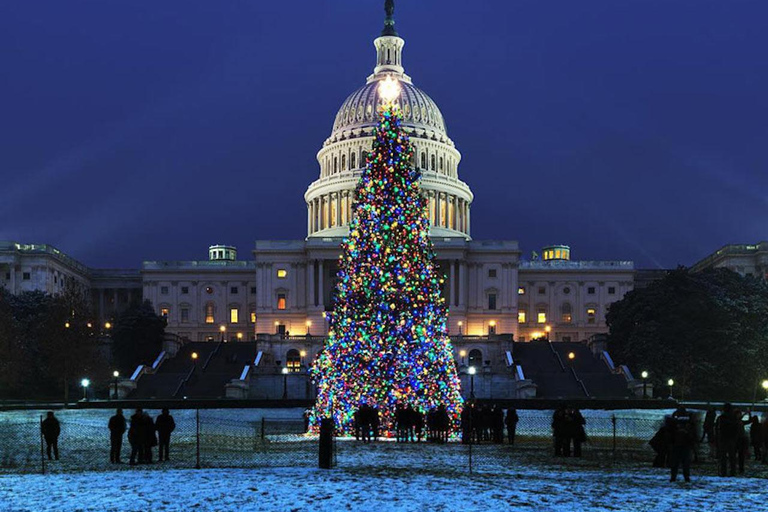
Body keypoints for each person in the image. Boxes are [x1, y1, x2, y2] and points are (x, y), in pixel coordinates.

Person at [669, 406, 695, 482]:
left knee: (675, 462)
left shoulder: (674, 419)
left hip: (676, 443)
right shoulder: (689, 419)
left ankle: (673, 477)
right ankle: (686, 477)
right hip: (685, 443)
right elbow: (692, 431)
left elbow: (670, 431)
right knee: (685, 462)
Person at [715, 403, 739, 477]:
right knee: (732, 457)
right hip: (732, 439)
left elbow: (717, 429)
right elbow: (737, 429)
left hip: (723, 439)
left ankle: (723, 472)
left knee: (723, 457)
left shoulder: (721, 418)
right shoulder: (734, 418)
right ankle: (733, 472)